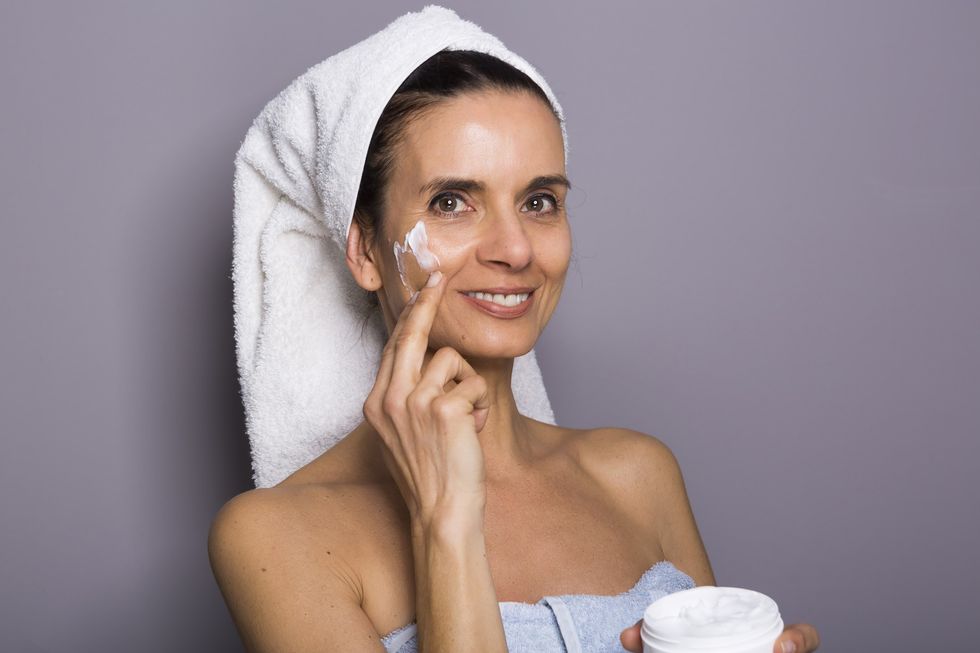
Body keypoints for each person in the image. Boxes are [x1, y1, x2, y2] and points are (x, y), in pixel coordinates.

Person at [209, 43, 819, 653]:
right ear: (366, 250)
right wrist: (444, 518)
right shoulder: (274, 537)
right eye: (452, 203)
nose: (517, 249)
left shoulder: (638, 475)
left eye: (538, 202)